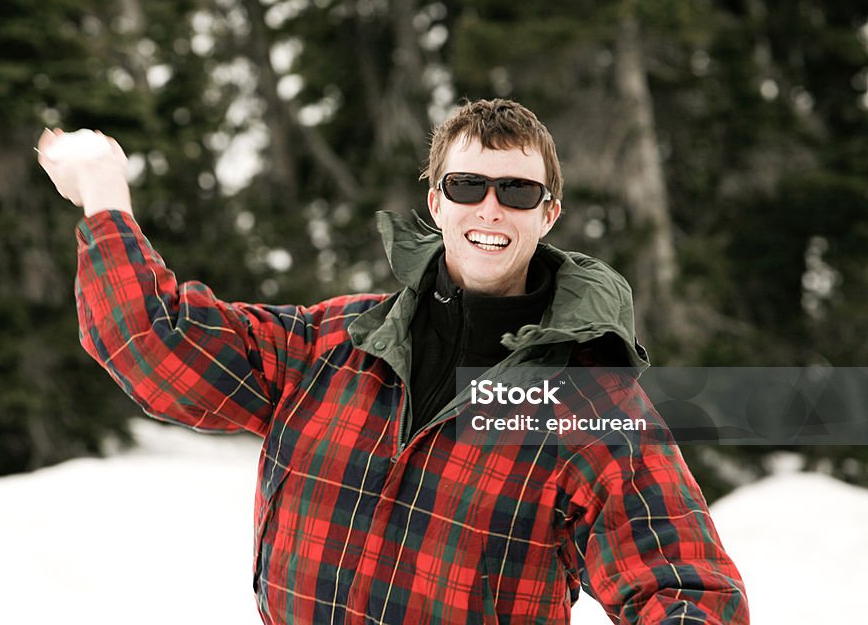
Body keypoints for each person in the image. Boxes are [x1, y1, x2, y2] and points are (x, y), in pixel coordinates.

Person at [38, 99, 749, 624]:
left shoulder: (587, 403)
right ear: (436, 201)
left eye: (517, 191)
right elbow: (153, 343)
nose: (490, 209)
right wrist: (104, 196)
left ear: (549, 213)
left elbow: (686, 591)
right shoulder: (332, 343)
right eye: (468, 186)